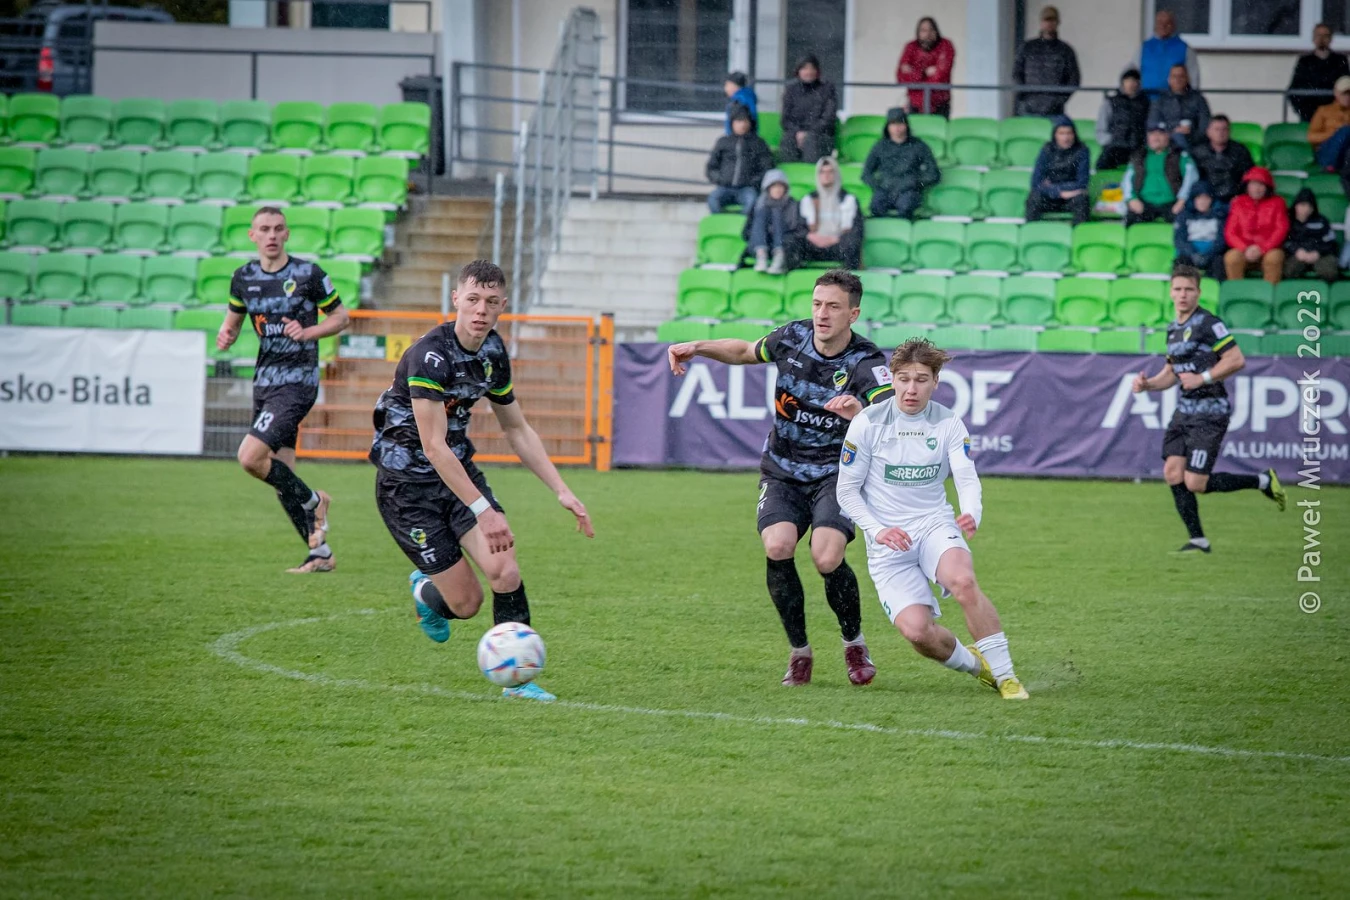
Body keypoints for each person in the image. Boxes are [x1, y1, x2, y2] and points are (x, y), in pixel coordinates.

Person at [369, 260, 594, 702]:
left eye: (490, 302)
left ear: (502, 305)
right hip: (406, 487)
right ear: (455, 299)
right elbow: (433, 447)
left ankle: (519, 684)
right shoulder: (429, 356)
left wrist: (562, 490)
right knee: (466, 604)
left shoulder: (492, 352)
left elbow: (517, 428)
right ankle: (427, 591)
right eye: (472, 299)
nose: (480, 310)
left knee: (505, 571)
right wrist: (484, 511)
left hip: (458, 474)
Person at [667, 270, 895, 687]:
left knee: (826, 557)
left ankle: (854, 642)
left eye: (833, 307)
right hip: (783, 469)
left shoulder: (866, 362)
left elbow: (892, 421)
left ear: (853, 314)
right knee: (777, 545)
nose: (822, 314)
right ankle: (799, 652)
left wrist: (859, 414)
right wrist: (697, 347)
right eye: (817, 304)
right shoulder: (792, 337)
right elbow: (743, 351)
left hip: (838, 474)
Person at [835, 337, 1028, 701]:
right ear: (892, 379)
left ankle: (1007, 676)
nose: (912, 388)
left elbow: (966, 477)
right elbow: (846, 491)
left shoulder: (948, 422)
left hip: (933, 525)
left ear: (936, 382)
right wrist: (878, 530)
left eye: (922, 379)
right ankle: (979, 668)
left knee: (963, 581)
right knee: (917, 632)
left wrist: (971, 512)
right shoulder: (867, 422)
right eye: (904, 379)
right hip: (888, 542)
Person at [215, 206, 350, 574]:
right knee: (281, 475)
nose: (271, 235)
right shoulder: (243, 277)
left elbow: (341, 317)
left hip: (297, 383)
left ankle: (315, 501)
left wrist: (308, 332)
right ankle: (320, 554)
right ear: (253, 236)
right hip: (264, 383)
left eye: (278, 228)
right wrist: (226, 335)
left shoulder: (308, 274)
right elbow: (232, 323)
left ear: (287, 234)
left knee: (249, 457)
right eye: (264, 229)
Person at [1132, 264, 1286, 554]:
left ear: (1198, 293)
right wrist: (1148, 385)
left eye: (1189, 289)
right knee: (1172, 472)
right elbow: (1171, 374)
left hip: (1210, 412)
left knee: (1196, 483)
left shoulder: (1208, 323)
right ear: (1170, 292)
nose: (1183, 295)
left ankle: (1263, 480)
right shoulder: (1173, 330)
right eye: (1178, 289)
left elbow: (1236, 359)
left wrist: (1202, 378)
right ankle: (1198, 541)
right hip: (1184, 411)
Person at [861, 107, 940, 220]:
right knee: (876, 207)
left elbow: (933, 174)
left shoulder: (918, 146)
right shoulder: (880, 146)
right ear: (888, 126)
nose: (897, 127)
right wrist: (879, 185)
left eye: (900, 123)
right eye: (893, 124)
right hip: (885, 189)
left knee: (906, 207)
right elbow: (866, 173)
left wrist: (915, 183)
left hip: (909, 191)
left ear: (906, 125)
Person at [790, 157, 862, 270]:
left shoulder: (849, 200)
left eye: (830, 171)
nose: (826, 175)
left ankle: (849, 277)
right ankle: (794, 275)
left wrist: (836, 239)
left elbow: (857, 229)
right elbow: (799, 227)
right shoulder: (808, 199)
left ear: (836, 174)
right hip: (814, 246)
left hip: (838, 245)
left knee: (852, 243)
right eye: (822, 172)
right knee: (790, 241)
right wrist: (812, 236)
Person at [1122, 123, 1197, 226]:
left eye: (1160, 134)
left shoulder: (1179, 155)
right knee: (1130, 219)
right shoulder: (1139, 155)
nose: (1156, 138)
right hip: (1144, 203)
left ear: (1168, 135)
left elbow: (1191, 178)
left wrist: (1182, 200)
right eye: (1152, 134)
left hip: (1172, 203)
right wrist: (1132, 199)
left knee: (1184, 222)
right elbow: (1127, 180)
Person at [1223, 167, 1289, 284]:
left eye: (1261, 185)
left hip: (1269, 249)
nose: (1256, 188)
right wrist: (1244, 248)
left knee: (1274, 258)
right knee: (1231, 258)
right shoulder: (1238, 202)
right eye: (1253, 184)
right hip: (1243, 249)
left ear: (1267, 187)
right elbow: (1230, 232)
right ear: (1247, 186)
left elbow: (1281, 229)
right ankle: (1237, 292)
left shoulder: (1278, 202)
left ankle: (1270, 293)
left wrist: (1263, 248)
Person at [1012, 5, 1080, 118]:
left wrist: (1060, 100)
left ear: (1058, 23)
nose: (1049, 23)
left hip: (1055, 109)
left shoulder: (1065, 50)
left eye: (1052, 20)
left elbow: (1074, 79)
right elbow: (1016, 72)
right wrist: (1023, 95)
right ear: (1041, 22)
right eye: (1046, 20)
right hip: (1029, 106)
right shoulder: (1027, 47)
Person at [706, 108, 773, 214]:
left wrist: (753, 182)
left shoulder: (759, 143)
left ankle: (743, 223)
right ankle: (724, 221)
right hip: (725, 188)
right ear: (732, 123)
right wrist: (720, 179)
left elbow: (767, 168)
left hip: (747, 189)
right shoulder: (723, 141)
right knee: (713, 200)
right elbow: (711, 167)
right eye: (738, 121)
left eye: (745, 121)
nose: (742, 125)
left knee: (752, 202)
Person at [1025, 115, 1090, 224]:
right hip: (1050, 196)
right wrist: (1059, 192)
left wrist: (1052, 187)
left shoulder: (1082, 150)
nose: (1065, 138)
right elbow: (1035, 183)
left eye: (1069, 133)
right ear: (1055, 135)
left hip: (1071, 198)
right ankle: (1030, 231)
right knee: (1034, 198)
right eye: (1061, 133)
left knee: (1082, 200)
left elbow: (1082, 183)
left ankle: (1079, 233)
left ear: (1074, 134)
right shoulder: (1047, 150)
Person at [1126, 8, 1199, 98]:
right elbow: (1132, 72)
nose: (1163, 26)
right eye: (1160, 22)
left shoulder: (1185, 49)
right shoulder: (1144, 47)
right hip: (1145, 100)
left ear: (1173, 25)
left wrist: (1192, 98)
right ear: (1155, 25)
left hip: (1174, 101)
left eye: (1167, 23)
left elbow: (1193, 77)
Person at [779, 55, 838, 164]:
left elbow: (828, 119)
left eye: (812, 68)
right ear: (798, 71)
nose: (808, 72)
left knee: (811, 141)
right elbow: (785, 120)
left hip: (821, 135)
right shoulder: (791, 90)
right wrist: (797, 132)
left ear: (817, 71)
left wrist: (808, 133)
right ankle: (788, 171)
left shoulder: (827, 89)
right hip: (796, 134)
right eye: (804, 68)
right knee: (788, 140)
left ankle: (811, 172)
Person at [1188, 115, 1254, 209]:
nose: (1221, 133)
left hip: (1235, 198)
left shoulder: (1240, 150)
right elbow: (1193, 179)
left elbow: (1249, 176)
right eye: (1217, 129)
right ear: (1208, 132)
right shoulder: (1198, 152)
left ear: (1229, 131)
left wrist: (1240, 196)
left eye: (1224, 129)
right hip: (1207, 200)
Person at [1288, 23, 1349, 123]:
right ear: (1313, 38)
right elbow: (1295, 89)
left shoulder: (1339, 61)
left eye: (1325, 35)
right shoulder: (1305, 61)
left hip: (1334, 115)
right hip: (1309, 114)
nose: (1321, 39)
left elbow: (1345, 86)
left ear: (1330, 38)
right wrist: (1303, 111)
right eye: (1318, 35)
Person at [897, 17, 955, 118]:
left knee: (937, 129)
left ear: (936, 31)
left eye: (931, 30)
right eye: (923, 30)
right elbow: (901, 78)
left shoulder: (945, 45)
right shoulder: (911, 47)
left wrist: (913, 73)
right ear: (918, 32)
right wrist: (923, 72)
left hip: (939, 103)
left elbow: (939, 78)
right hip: (914, 104)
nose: (928, 34)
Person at [745, 169, 801, 274]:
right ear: (768, 188)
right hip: (760, 244)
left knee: (776, 213)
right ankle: (761, 255)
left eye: (780, 186)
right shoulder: (759, 204)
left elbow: (797, 229)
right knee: (762, 213)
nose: (777, 190)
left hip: (785, 244)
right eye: (774, 186)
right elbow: (747, 230)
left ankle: (779, 256)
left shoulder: (792, 204)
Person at [1095, 68, 1150, 171]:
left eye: (1134, 81)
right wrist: (1111, 140)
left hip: (1137, 147)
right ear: (1122, 83)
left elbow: (1149, 127)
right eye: (1128, 81)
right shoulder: (1110, 102)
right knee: (1102, 165)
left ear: (1138, 83)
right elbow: (1101, 129)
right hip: (1115, 146)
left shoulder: (1146, 104)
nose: (1131, 84)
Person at [1283, 187, 1341, 282]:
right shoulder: (1288, 220)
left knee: (1329, 272)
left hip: (1320, 255)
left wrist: (1317, 253)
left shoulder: (1321, 221)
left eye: (1310, 206)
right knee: (1289, 271)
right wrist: (1297, 251)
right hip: (1298, 255)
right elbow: (1285, 241)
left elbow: (1331, 243)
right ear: (1296, 205)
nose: (1306, 209)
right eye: (1303, 205)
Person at [1172, 181, 1226, 281]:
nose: (1202, 202)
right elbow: (1179, 239)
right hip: (1189, 254)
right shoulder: (1184, 216)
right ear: (1193, 199)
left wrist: (1208, 255)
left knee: (1219, 262)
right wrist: (1193, 254)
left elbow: (1221, 240)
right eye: (1199, 198)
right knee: (1180, 262)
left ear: (1211, 200)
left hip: (1211, 254)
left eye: (1206, 198)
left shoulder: (1219, 216)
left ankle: (1215, 288)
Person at [1148, 64, 1210, 149]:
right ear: (1169, 80)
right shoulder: (1160, 100)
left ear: (1187, 79)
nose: (1178, 80)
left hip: (1194, 142)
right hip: (1166, 143)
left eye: (1181, 76)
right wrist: (1173, 132)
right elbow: (1153, 124)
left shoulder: (1198, 99)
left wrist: (1192, 132)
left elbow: (1205, 125)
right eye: (1174, 76)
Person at [1308, 76, 1350, 173]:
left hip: (1346, 153)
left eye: (1349, 94)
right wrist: (1334, 133)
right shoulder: (1324, 111)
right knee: (1345, 131)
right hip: (1326, 152)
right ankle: (1330, 165)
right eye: (1344, 93)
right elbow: (1311, 137)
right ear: (1336, 93)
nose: (1347, 97)